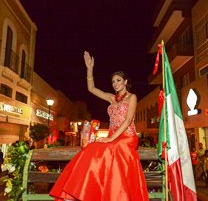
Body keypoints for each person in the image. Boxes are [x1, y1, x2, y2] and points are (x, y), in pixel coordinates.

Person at [49, 51, 149, 201]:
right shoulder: (111, 97)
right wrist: (89, 68)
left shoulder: (132, 97)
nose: (115, 84)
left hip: (127, 137)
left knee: (109, 149)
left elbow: (128, 121)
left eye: (118, 80)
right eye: (113, 81)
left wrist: (110, 139)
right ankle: (74, 192)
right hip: (113, 137)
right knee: (91, 148)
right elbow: (92, 89)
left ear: (126, 82)